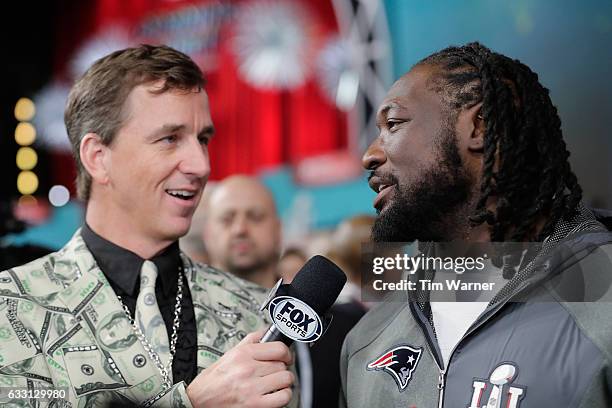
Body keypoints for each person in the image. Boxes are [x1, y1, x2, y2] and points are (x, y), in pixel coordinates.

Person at [0, 45, 296, 408]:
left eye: (202, 139)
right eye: (170, 139)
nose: (200, 165)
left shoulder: (257, 311)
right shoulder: (13, 306)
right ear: (98, 157)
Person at [340, 42, 612, 407]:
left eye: (393, 124)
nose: (369, 155)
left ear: (479, 127)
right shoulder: (367, 339)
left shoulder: (603, 305)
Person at [203, 175, 282, 289]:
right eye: (227, 219)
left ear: (278, 230)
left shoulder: (306, 305)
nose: (240, 229)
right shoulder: (180, 304)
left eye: (255, 217)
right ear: (207, 233)